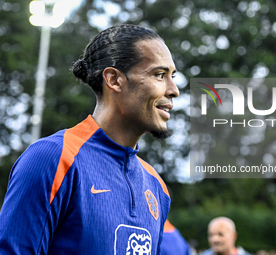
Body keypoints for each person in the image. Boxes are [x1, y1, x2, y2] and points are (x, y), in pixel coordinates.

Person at [0, 24, 179, 254]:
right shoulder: (53, 158)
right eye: (159, 75)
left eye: (172, 76)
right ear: (114, 80)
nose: (174, 90)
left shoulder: (157, 187)